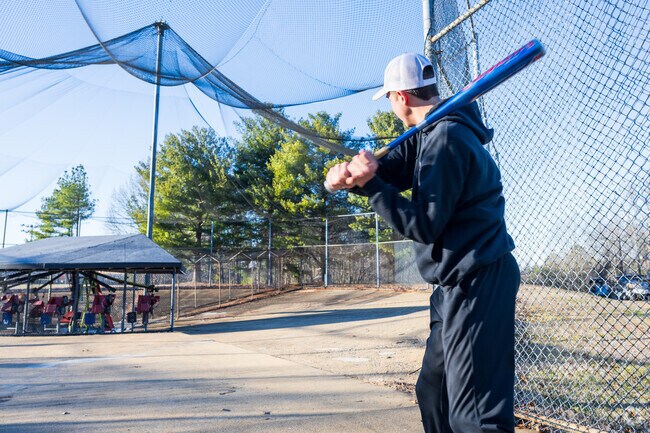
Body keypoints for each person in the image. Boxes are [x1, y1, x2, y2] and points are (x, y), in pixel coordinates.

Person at [325, 52, 521, 433]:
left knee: (476, 417)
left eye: (389, 100)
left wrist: (370, 185)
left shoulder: (446, 137)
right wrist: (353, 179)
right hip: (454, 284)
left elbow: (424, 224)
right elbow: (393, 169)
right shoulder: (429, 132)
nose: (392, 107)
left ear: (400, 97)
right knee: (434, 391)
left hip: (477, 278)